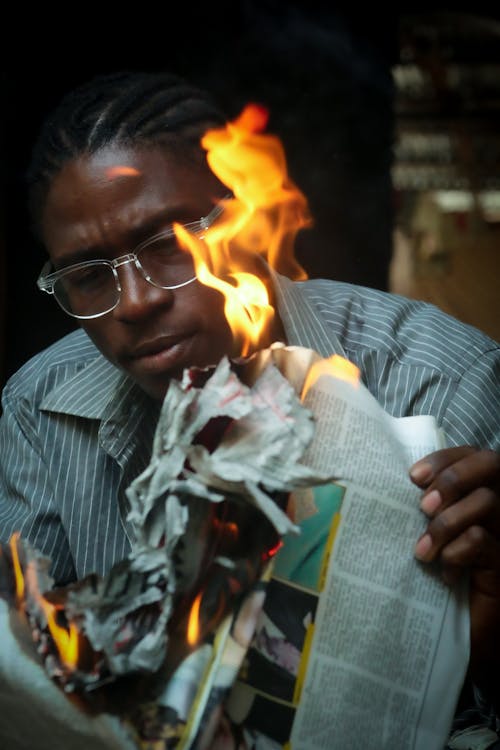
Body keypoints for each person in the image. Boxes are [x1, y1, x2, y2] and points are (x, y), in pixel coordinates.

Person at [0, 71, 498, 748]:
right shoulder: (39, 405)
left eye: (169, 244)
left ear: (247, 216)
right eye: (89, 276)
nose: (135, 303)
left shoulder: (439, 377)